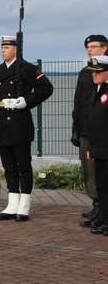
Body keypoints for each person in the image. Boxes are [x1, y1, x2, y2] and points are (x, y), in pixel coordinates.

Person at [0, 36, 53, 221]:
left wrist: (26, 101)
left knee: (23, 166)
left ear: (16, 49)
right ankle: (12, 204)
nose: (3, 51)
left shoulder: (27, 69)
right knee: (8, 166)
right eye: (2, 48)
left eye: (7, 47)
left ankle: (24, 205)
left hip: (19, 122)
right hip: (2, 123)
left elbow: (46, 88)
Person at [73, 35, 108, 227]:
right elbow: (79, 103)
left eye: (93, 46)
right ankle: (97, 205)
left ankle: (103, 209)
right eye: (88, 47)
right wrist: (75, 129)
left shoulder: (105, 73)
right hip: (87, 129)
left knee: (102, 172)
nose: (89, 49)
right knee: (90, 172)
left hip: (103, 133)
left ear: (104, 49)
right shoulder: (85, 73)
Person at [85, 56, 108, 235]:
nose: (94, 75)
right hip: (99, 147)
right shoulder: (97, 90)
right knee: (102, 185)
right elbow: (94, 122)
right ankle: (105, 218)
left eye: (98, 71)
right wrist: (91, 148)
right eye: (93, 72)